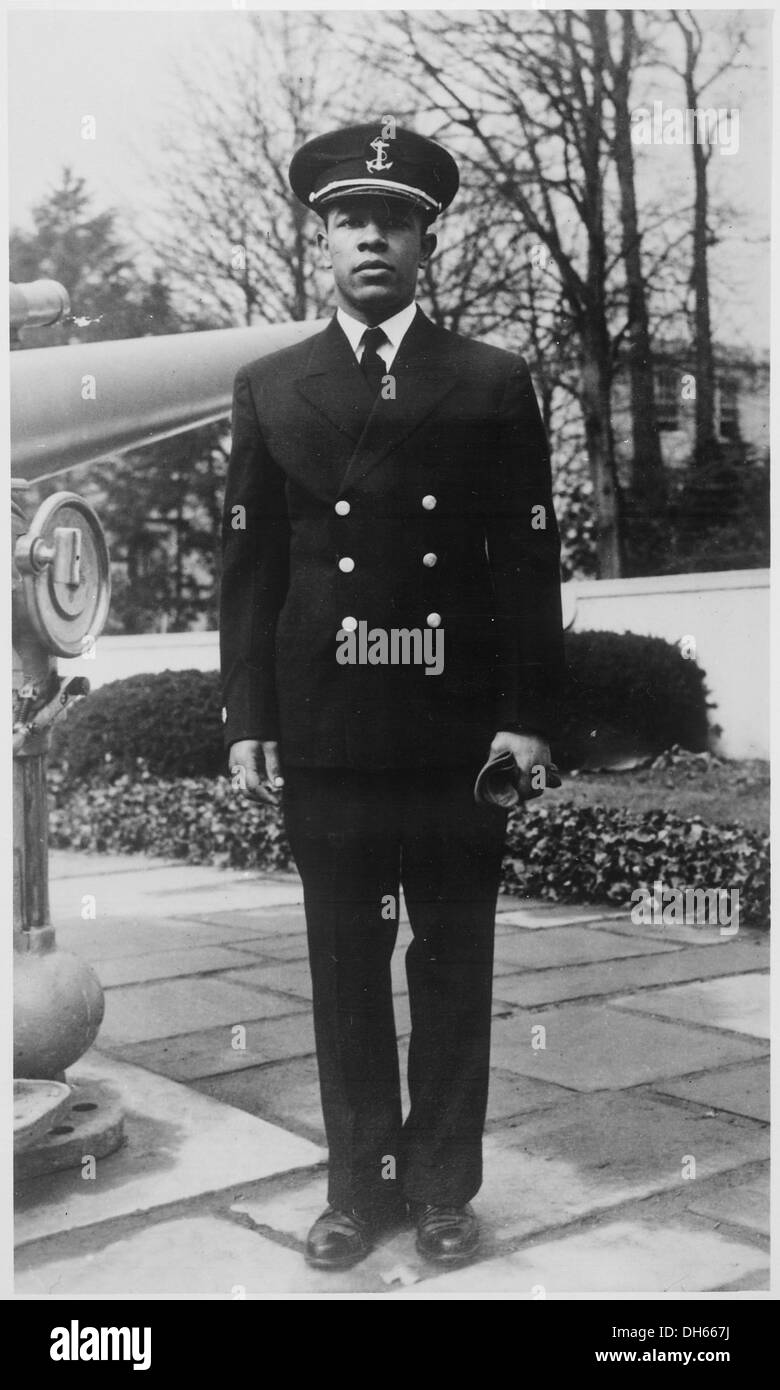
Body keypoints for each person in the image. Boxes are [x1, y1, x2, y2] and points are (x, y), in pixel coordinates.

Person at [220, 122, 564, 1270]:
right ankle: (357, 1190)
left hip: (459, 726)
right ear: (323, 241)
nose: (373, 237)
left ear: (428, 238)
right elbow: (252, 568)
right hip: (329, 727)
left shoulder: (490, 380)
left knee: (454, 959)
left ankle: (443, 1188)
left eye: (395, 219)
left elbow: (526, 562)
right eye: (349, 220)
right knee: (342, 964)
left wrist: (526, 712)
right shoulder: (270, 386)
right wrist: (248, 717)